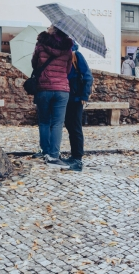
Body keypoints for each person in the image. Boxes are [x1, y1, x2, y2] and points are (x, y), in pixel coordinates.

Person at [31, 25, 73, 168]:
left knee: (44, 122)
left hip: (43, 88)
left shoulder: (41, 46)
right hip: (61, 89)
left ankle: (45, 151)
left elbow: (34, 64)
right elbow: (68, 70)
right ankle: (53, 157)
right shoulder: (68, 50)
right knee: (57, 123)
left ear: (52, 31)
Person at [63, 43, 93, 172]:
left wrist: (84, 96)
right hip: (67, 96)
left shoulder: (76, 55)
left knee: (75, 127)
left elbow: (87, 76)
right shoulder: (63, 56)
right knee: (70, 125)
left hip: (76, 97)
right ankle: (74, 155)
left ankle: (77, 157)